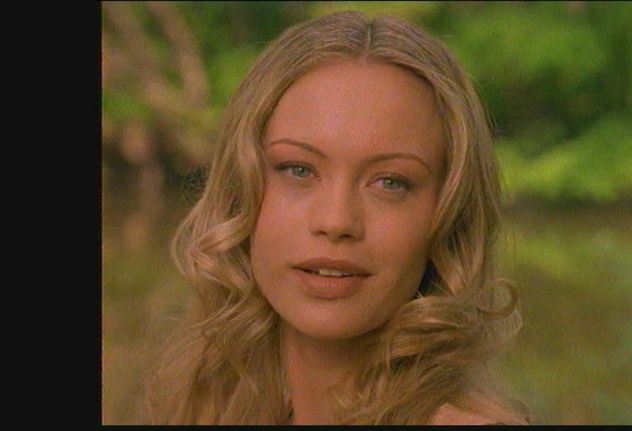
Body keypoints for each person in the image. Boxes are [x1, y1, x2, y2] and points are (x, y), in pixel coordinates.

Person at [145, 10, 529, 425]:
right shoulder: (206, 407)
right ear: (239, 190)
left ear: (449, 214)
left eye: (390, 182)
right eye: (298, 170)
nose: (336, 220)